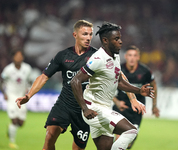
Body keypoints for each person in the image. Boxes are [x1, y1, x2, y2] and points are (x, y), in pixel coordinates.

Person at [70, 22, 154, 150]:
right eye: (116, 39)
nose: (120, 42)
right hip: (94, 109)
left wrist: (139, 91)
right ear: (105, 40)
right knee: (131, 131)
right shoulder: (98, 59)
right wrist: (85, 108)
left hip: (103, 108)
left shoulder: (115, 56)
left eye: (120, 38)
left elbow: (119, 81)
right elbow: (75, 81)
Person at [15, 20, 97, 150]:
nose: (88, 38)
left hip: (84, 109)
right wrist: (29, 95)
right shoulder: (63, 55)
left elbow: (116, 75)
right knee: (49, 137)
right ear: (75, 35)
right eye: (85, 34)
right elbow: (44, 77)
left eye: (91, 34)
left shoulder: (96, 56)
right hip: (64, 104)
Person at [113, 45, 160, 149]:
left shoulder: (145, 72)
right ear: (125, 56)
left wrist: (154, 105)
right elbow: (107, 87)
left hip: (137, 111)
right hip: (121, 107)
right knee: (119, 139)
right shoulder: (119, 69)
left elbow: (154, 86)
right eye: (130, 55)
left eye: (134, 55)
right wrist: (116, 101)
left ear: (138, 57)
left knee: (129, 143)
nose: (132, 58)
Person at [0, 50, 32, 149]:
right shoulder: (8, 69)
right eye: (16, 56)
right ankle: (12, 142)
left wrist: (29, 89)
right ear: (13, 57)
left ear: (22, 57)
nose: (18, 58)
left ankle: (10, 129)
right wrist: (4, 93)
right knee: (14, 120)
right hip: (11, 96)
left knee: (20, 123)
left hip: (22, 96)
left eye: (20, 56)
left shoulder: (27, 68)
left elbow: (30, 80)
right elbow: (2, 80)